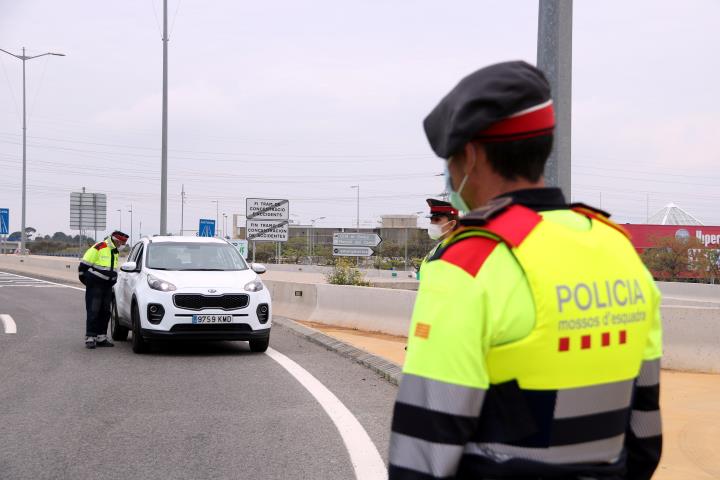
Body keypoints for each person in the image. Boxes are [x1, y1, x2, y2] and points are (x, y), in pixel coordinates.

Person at [388, 61, 663, 480]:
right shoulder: (618, 248)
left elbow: (423, 453)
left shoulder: (468, 264)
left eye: (451, 160)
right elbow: (644, 434)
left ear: (473, 155)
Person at [78, 231, 129, 349]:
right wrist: (88, 282)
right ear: (116, 240)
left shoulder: (115, 251)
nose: (122, 245)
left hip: (107, 286)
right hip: (95, 286)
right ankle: (90, 337)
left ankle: (101, 337)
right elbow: (83, 266)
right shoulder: (100, 247)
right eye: (121, 242)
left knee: (105, 312)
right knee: (93, 310)